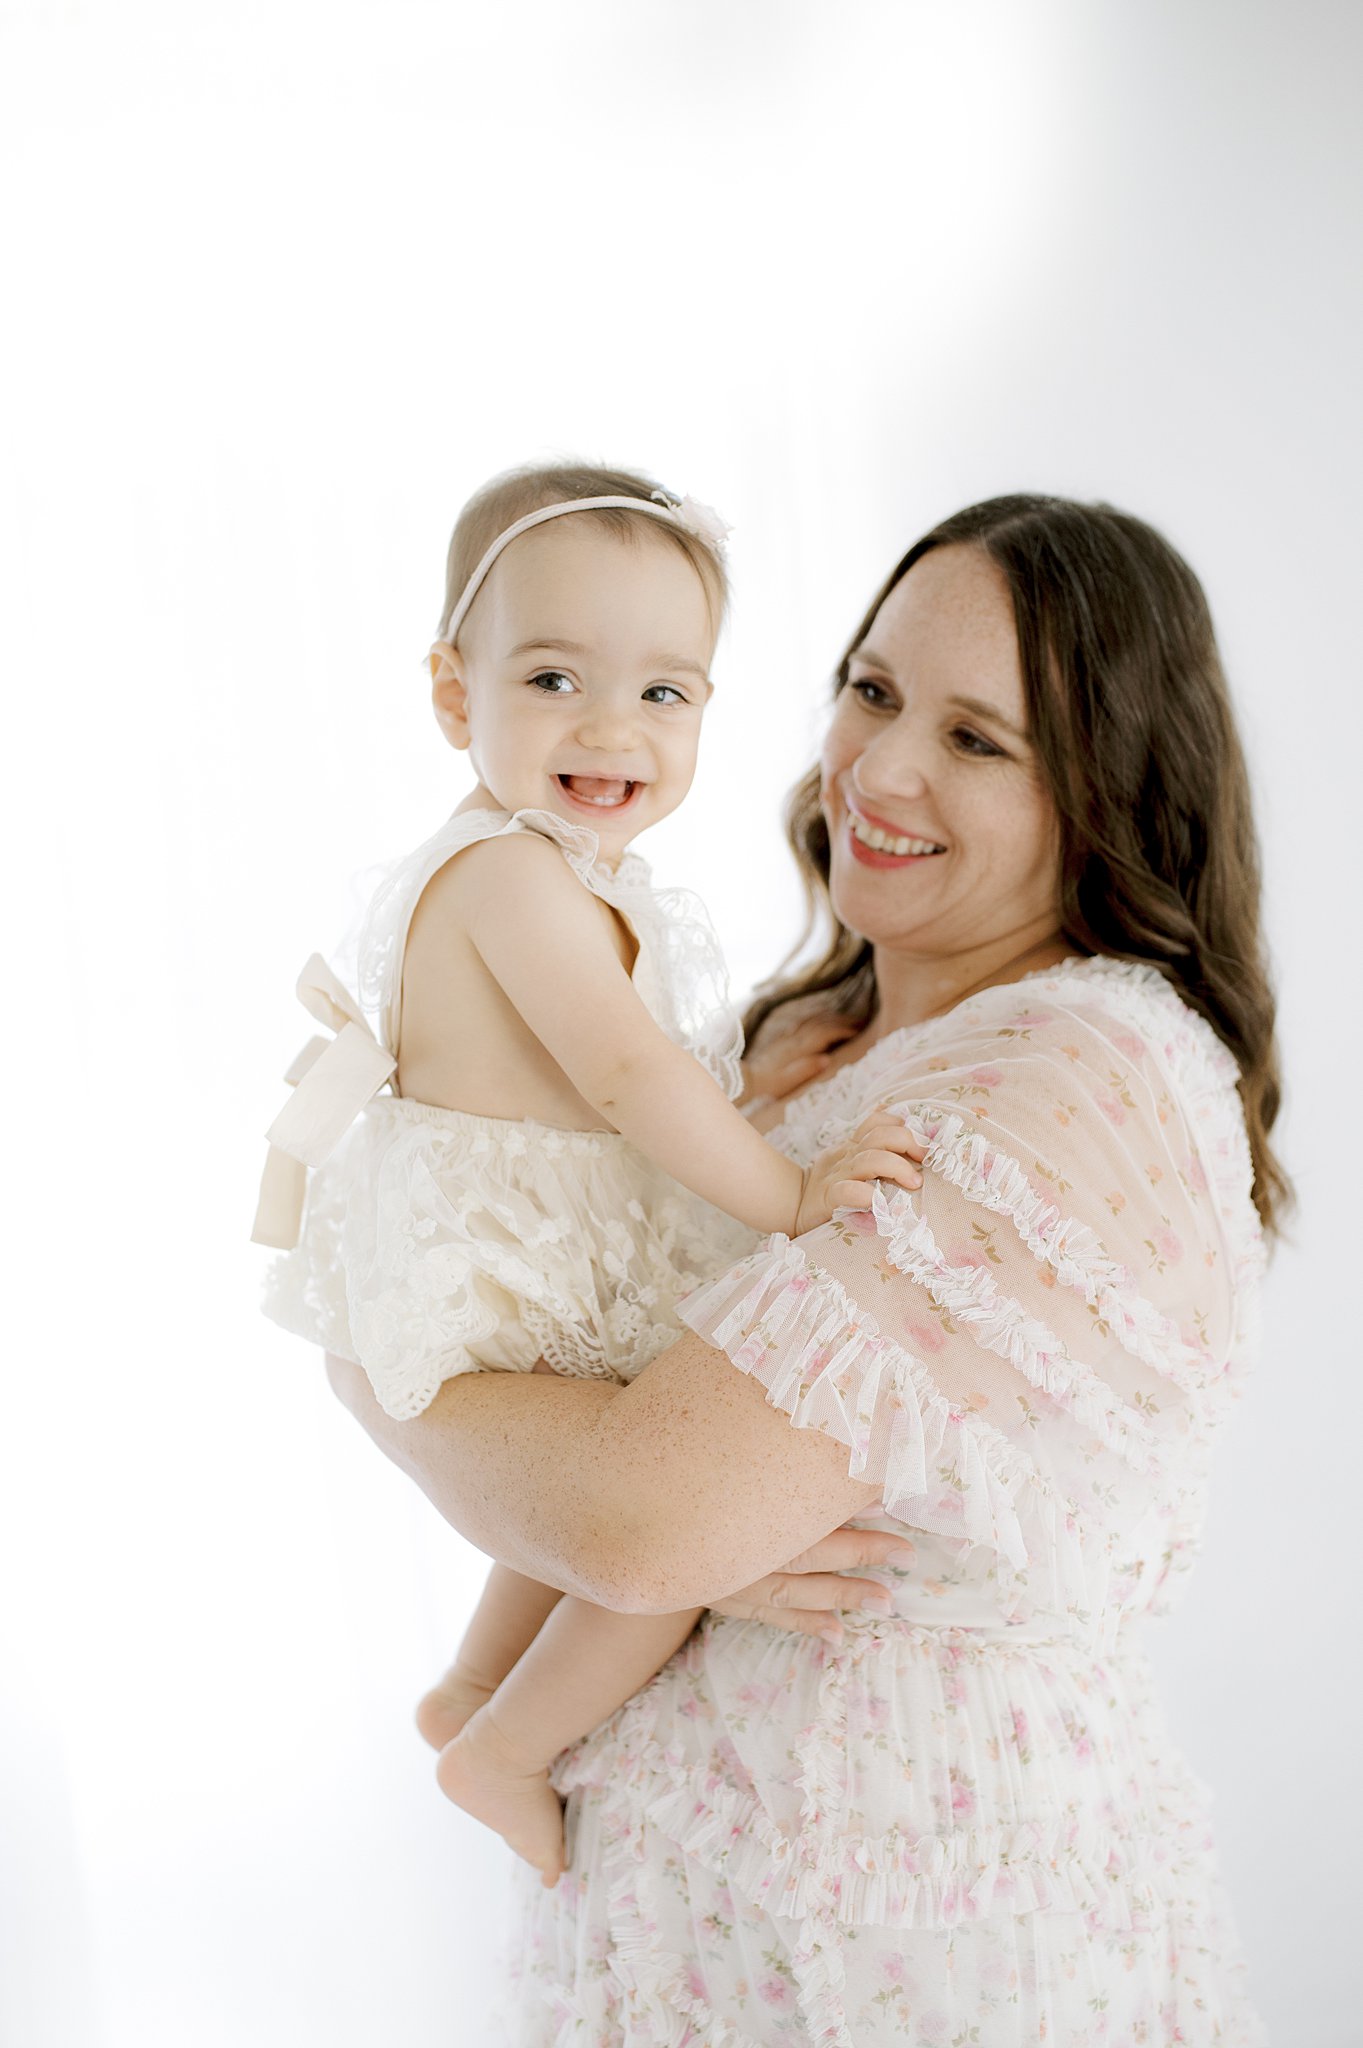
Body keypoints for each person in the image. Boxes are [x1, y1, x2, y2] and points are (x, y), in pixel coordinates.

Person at [326, 491, 1283, 2044]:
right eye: (875, 689)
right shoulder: (777, 1048)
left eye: (980, 740)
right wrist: (453, 1393)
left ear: (1107, 785)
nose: (881, 770)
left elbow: (634, 1519)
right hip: (685, 1915)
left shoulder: (1063, 1071)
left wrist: (389, 1368)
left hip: (927, 1937)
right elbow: (562, 1376)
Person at [253, 462, 924, 1889]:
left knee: (580, 1483)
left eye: (664, 693)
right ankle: (501, 1747)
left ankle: (471, 1687)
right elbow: (628, 1076)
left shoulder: (563, 867)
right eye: (555, 678)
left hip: (513, 1237)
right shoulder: (509, 878)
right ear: (456, 694)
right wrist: (796, 1200)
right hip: (502, 1255)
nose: (613, 726)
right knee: (658, 1535)